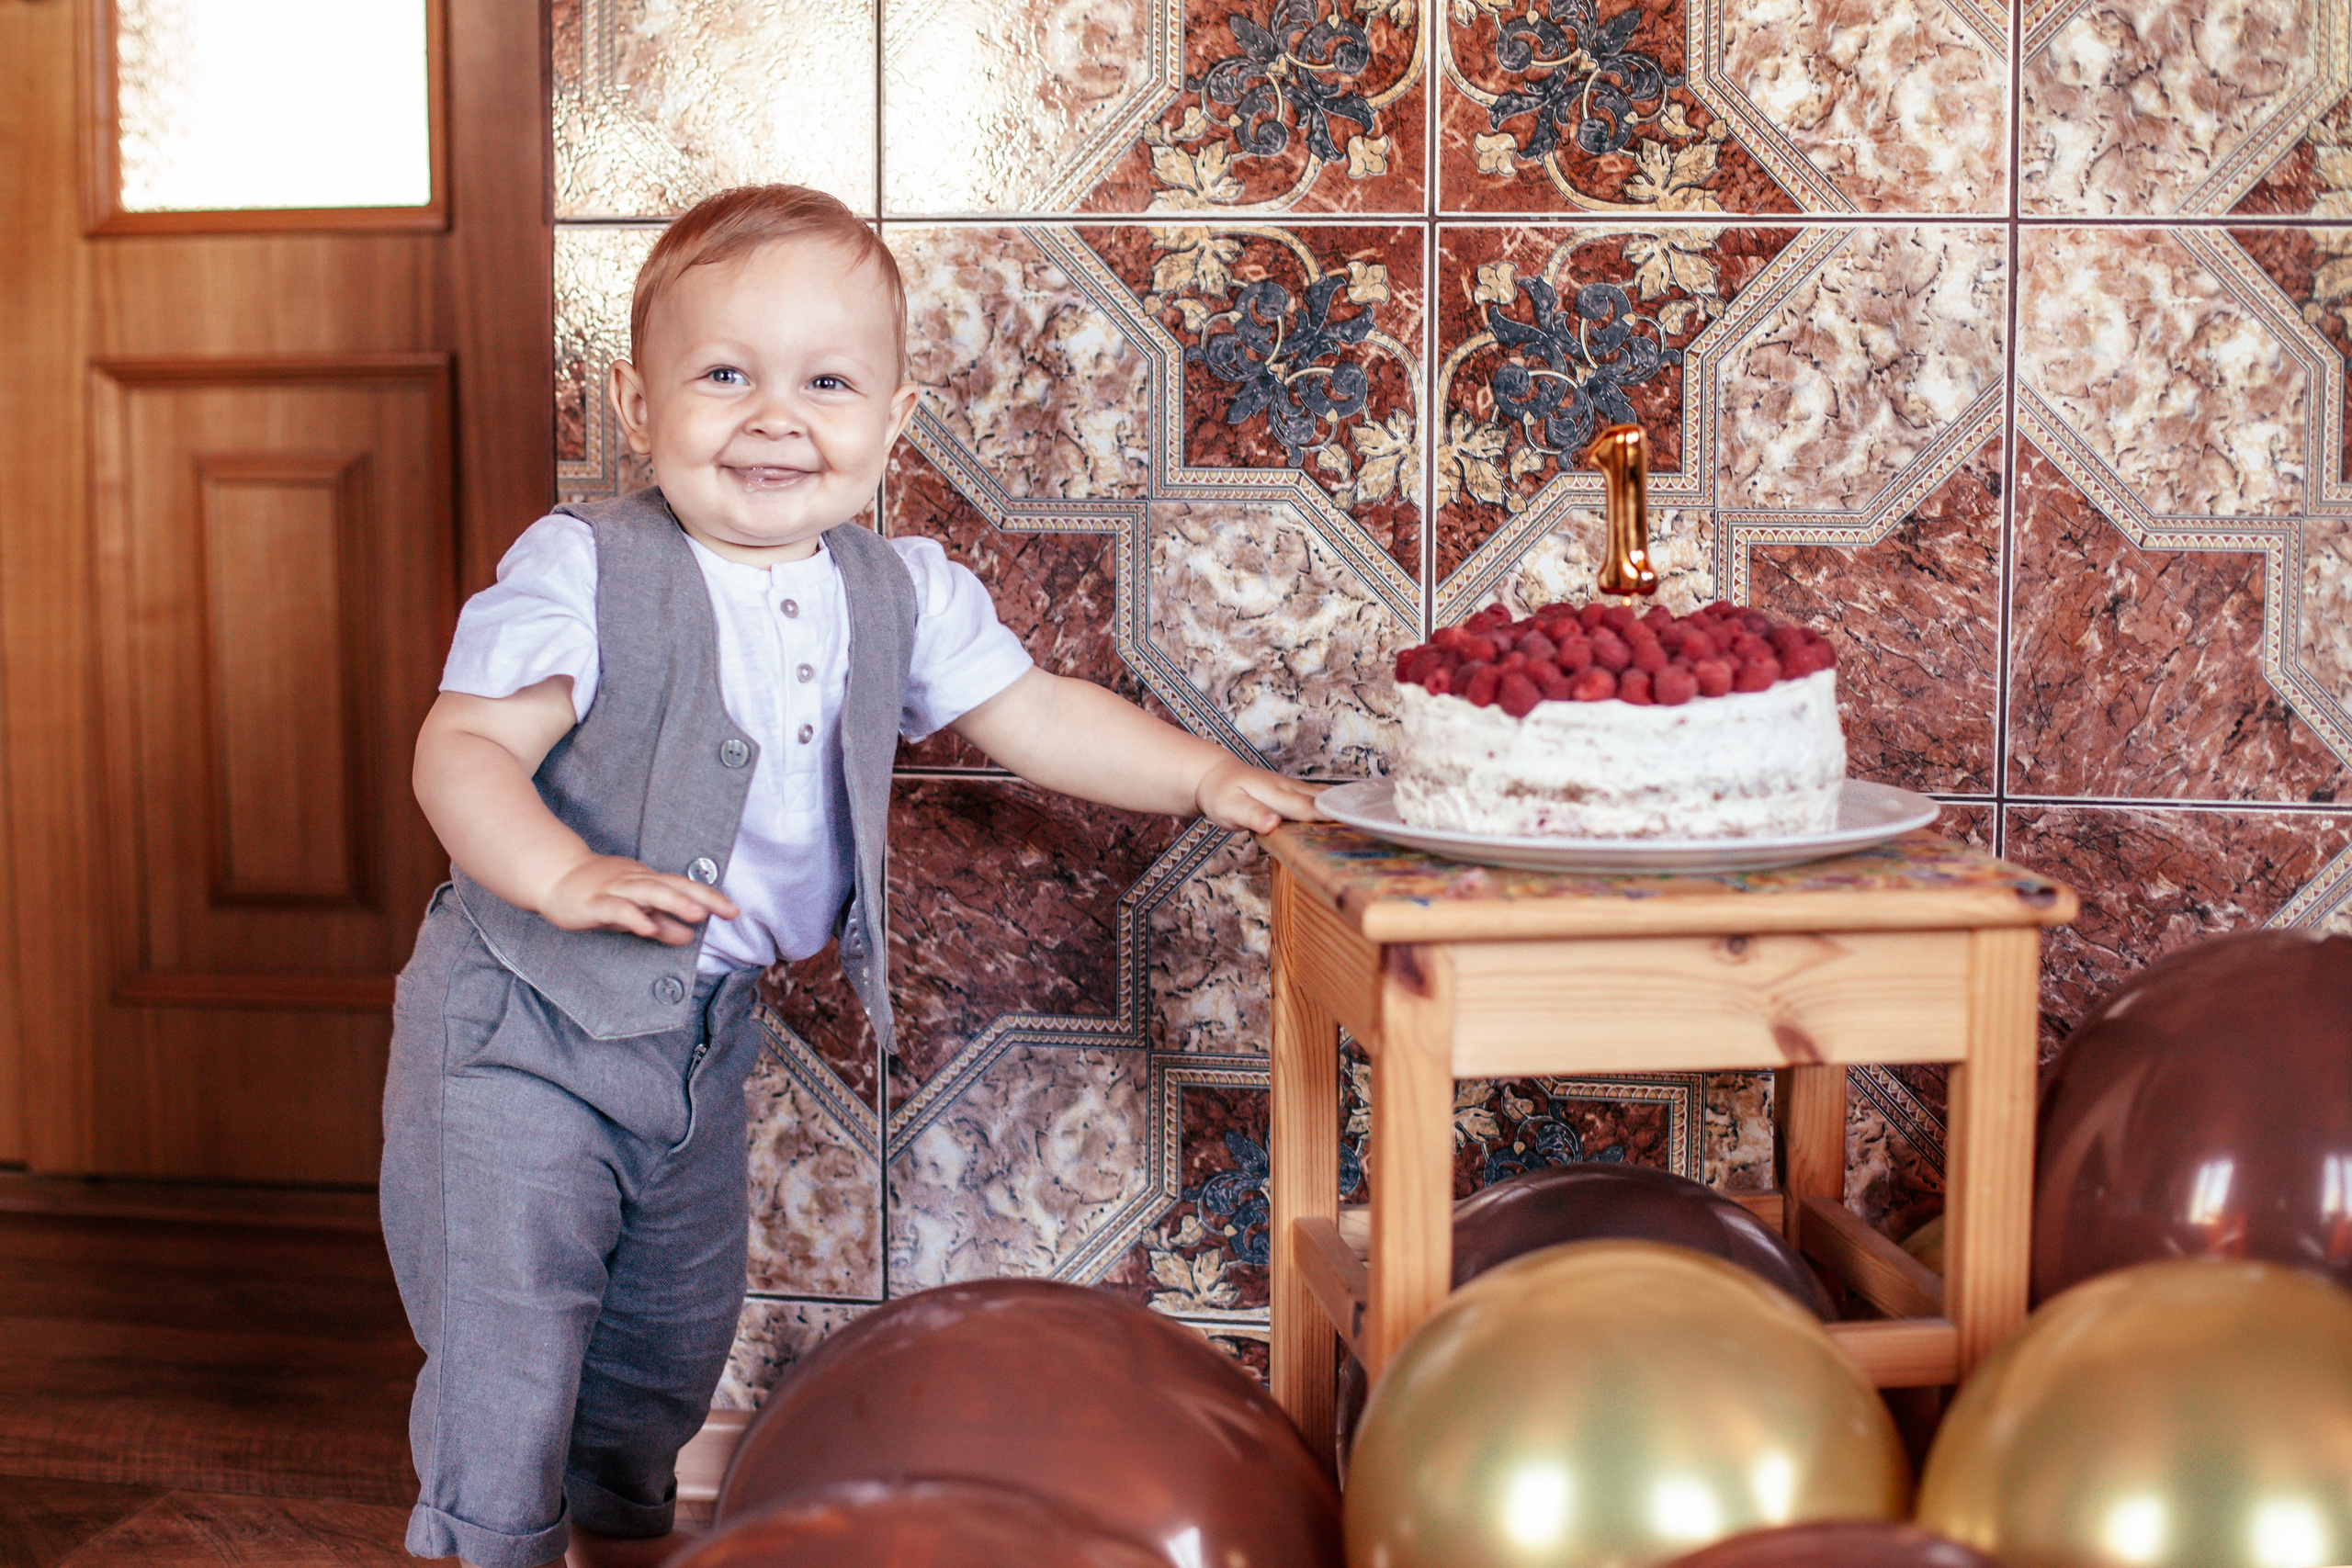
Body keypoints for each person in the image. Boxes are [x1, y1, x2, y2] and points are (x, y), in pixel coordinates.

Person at [379, 184, 1323, 1568]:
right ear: (639, 410)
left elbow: (1034, 710)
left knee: (665, 1344)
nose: (775, 416)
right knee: (508, 1340)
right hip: (519, 1031)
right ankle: (487, 1547)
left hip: (697, 1043)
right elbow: (461, 747)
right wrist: (562, 871)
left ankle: (624, 1544)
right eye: (723, 376)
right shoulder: (583, 567)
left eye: (826, 382)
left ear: (891, 418)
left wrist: (1201, 776)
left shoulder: (898, 588)